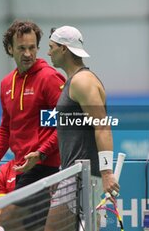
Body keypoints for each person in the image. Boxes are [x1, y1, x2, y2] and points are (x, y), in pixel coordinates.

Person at [0, 20, 65, 230]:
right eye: (21, 48)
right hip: (23, 167)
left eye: (32, 47)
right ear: (10, 49)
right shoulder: (7, 84)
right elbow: (6, 128)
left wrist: (41, 153)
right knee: (33, 226)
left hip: (45, 166)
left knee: (8, 219)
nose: (28, 54)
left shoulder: (49, 78)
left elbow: (64, 122)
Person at [45, 26, 120, 230]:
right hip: (74, 174)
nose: (48, 52)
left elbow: (102, 126)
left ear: (64, 49)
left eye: (51, 47)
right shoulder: (74, 81)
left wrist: (106, 173)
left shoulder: (82, 82)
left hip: (83, 177)